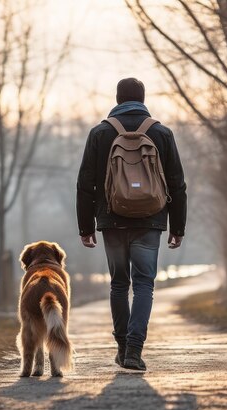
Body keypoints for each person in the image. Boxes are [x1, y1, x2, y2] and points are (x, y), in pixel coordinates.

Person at [76, 77, 187, 371]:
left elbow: (85, 184)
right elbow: (177, 184)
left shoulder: (100, 133)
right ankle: (134, 351)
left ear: (117, 99)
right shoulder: (161, 133)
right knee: (144, 286)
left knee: (118, 285)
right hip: (150, 221)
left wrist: (86, 227)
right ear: (143, 98)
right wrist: (178, 228)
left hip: (112, 220)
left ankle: (123, 346)